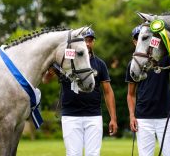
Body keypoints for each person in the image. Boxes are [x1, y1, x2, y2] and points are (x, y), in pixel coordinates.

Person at [43, 28, 118, 156]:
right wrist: (49, 74)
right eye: (85, 40)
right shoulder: (66, 61)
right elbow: (45, 80)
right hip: (70, 116)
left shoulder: (100, 64)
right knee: (73, 154)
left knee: (93, 154)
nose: (88, 43)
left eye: (90, 40)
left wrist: (113, 118)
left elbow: (108, 92)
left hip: (94, 116)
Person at [126, 25, 170, 156]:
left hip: (165, 116)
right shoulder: (132, 65)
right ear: (135, 42)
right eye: (137, 38)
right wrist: (132, 116)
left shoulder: (164, 57)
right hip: (143, 118)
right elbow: (130, 94)